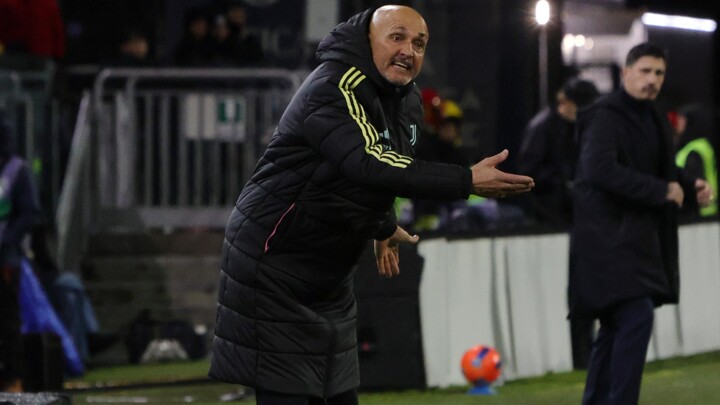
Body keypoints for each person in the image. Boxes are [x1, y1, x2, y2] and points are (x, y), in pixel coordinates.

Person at [208, 5, 534, 405]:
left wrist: (382, 223)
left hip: (327, 273)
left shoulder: (407, 101)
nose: (408, 51)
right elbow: (367, 162)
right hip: (273, 263)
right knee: (289, 394)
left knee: (339, 395)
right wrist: (465, 180)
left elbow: (380, 171)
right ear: (367, 41)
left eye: (419, 44)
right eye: (396, 37)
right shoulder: (334, 84)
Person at [569, 42, 714, 405]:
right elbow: (599, 170)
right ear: (626, 72)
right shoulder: (605, 115)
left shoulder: (652, 116)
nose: (652, 79)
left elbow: (656, 166)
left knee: (616, 326)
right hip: (607, 240)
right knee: (636, 316)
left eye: (659, 73)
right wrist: (661, 191)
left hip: (634, 240)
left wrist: (687, 184)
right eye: (645, 71)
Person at [518, 77, 600, 226]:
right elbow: (528, 172)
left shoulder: (579, 125)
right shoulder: (541, 127)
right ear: (567, 102)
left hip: (577, 207)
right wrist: (563, 183)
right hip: (548, 211)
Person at [0, 114, 41, 393]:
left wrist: (7, 241)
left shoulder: (16, 170)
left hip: (5, 258)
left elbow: (30, 212)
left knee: (6, 321)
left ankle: (12, 380)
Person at [671, 104, 718, 218]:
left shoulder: (694, 150)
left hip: (698, 215)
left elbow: (695, 182)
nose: (678, 123)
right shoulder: (700, 145)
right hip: (706, 211)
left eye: (682, 119)